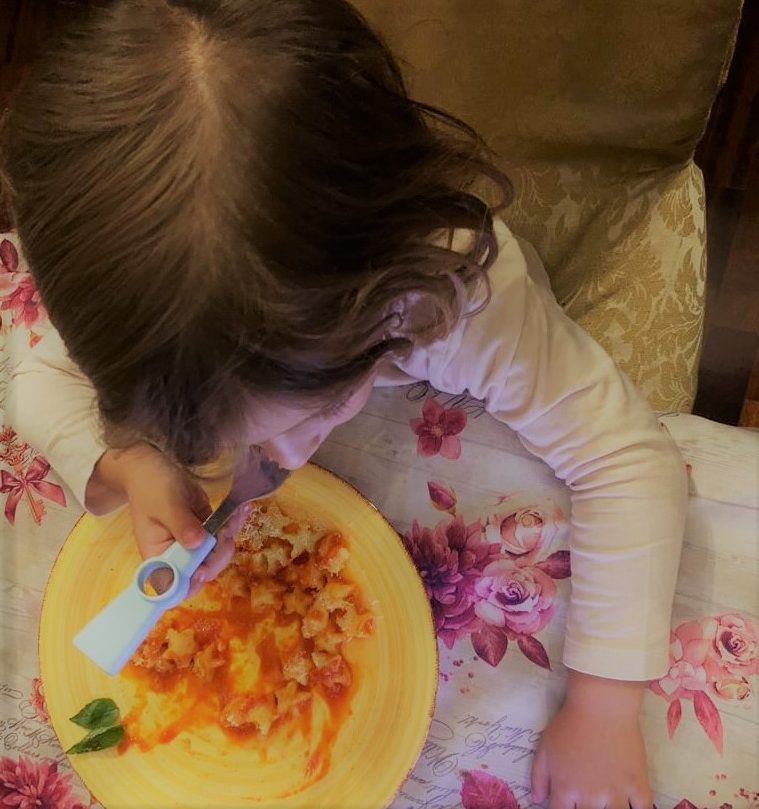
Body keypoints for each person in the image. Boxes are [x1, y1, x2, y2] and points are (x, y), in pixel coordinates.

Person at [2, 1, 687, 805]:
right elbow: (34, 376)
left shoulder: (459, 298)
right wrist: (128, 459)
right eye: (238, 438)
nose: (283, 462)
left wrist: (604, 705)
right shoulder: (134, 298)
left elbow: (626, 458)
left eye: (308, 418)